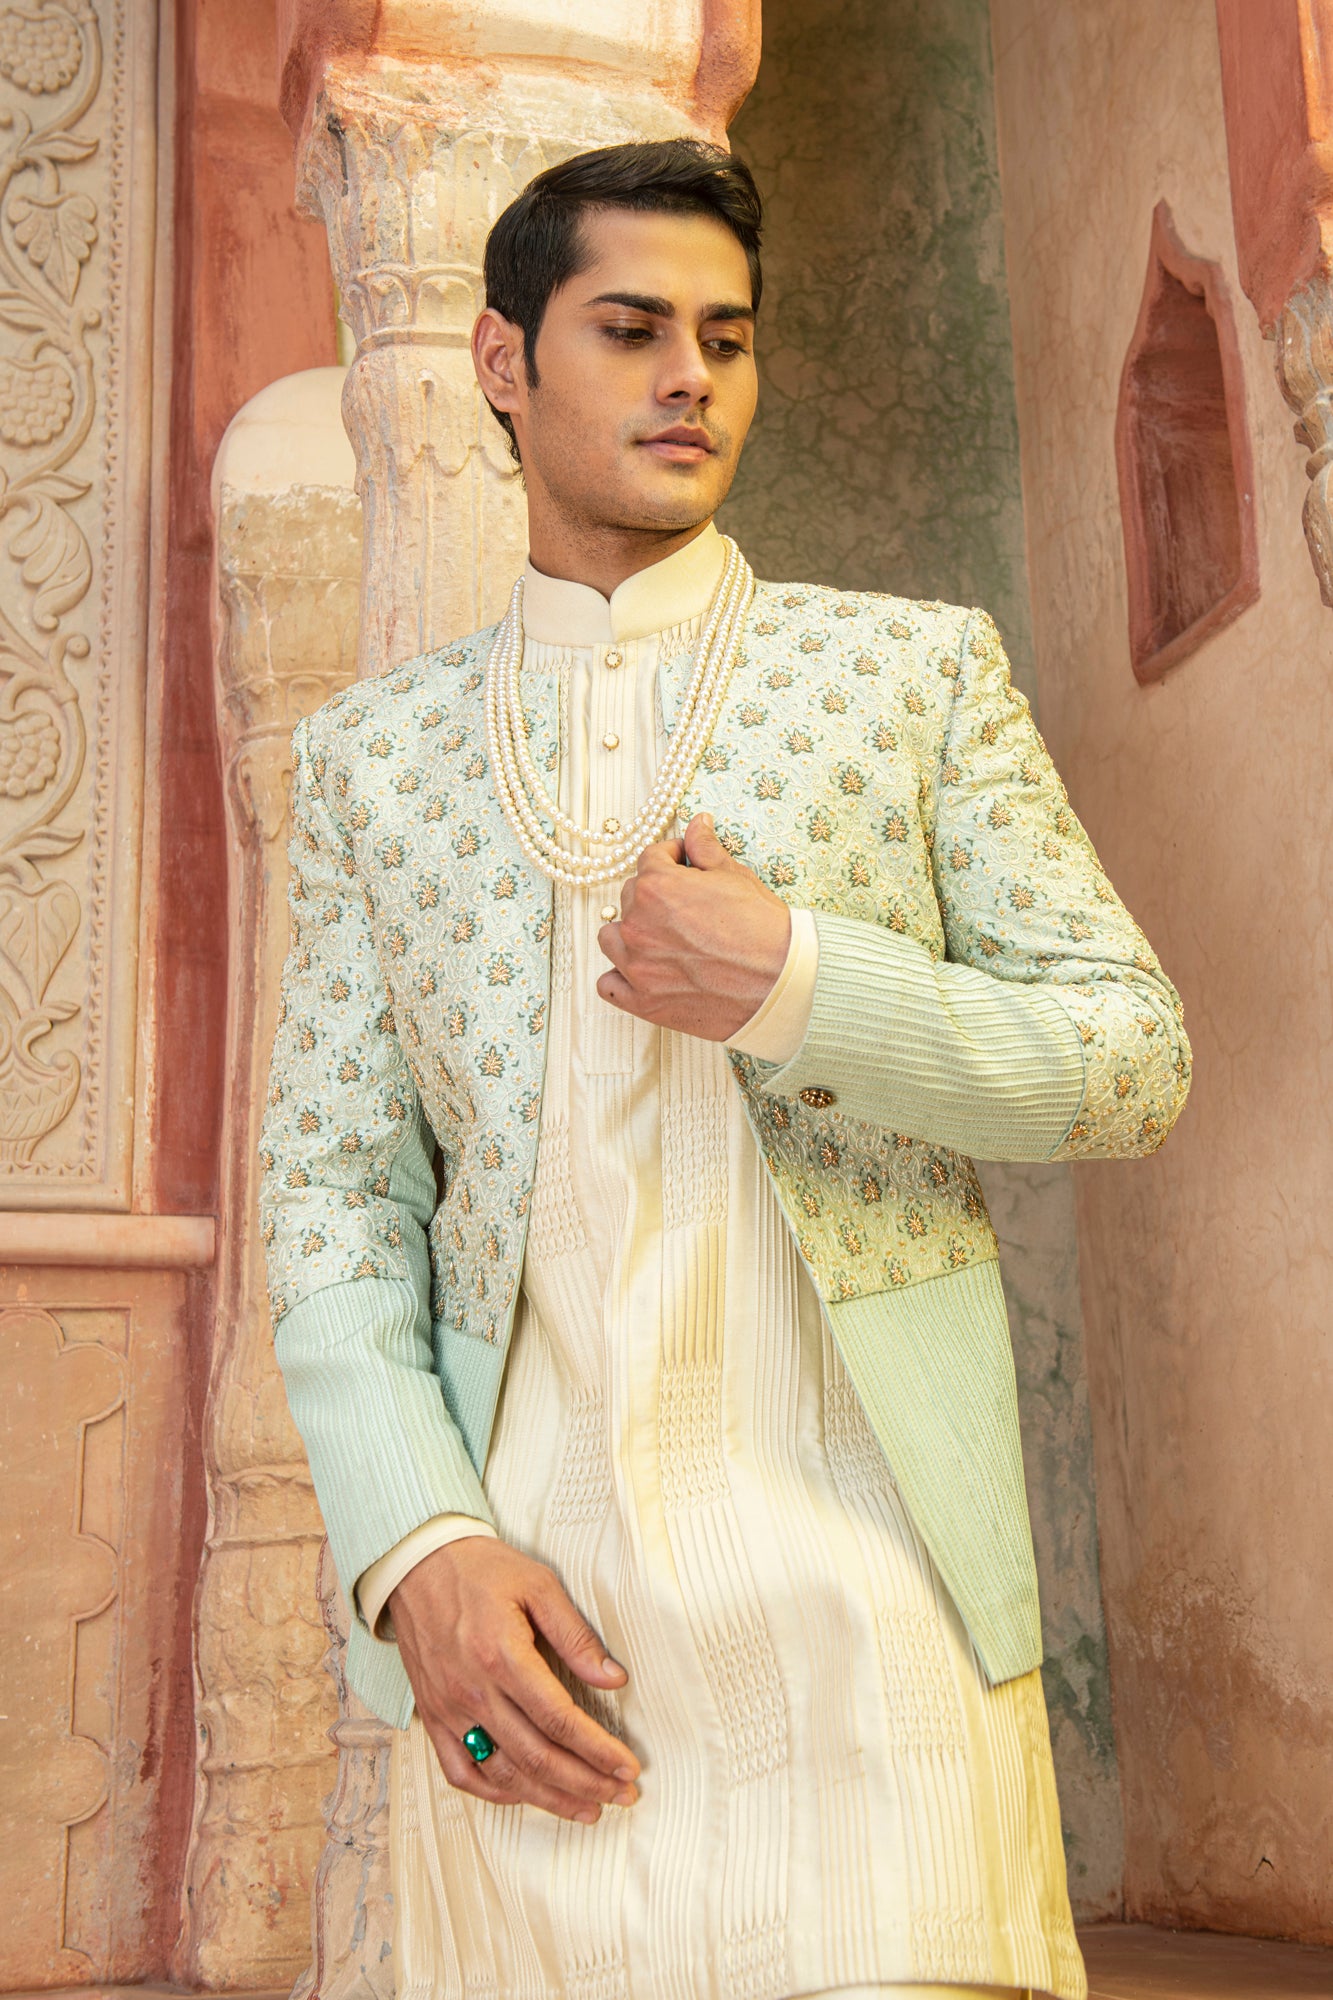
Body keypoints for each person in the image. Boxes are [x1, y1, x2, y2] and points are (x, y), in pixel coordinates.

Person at [259, 139, 1190, 2000]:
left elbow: (1127, 1057)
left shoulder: (907, 677)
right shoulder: (373, 758)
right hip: (538, 1618)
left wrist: (804, 985)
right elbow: (332, 1188)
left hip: (875, 1583)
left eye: (727, 337)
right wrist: (417, 1549)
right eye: (631, 329)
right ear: (503, 361)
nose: (691, 376)